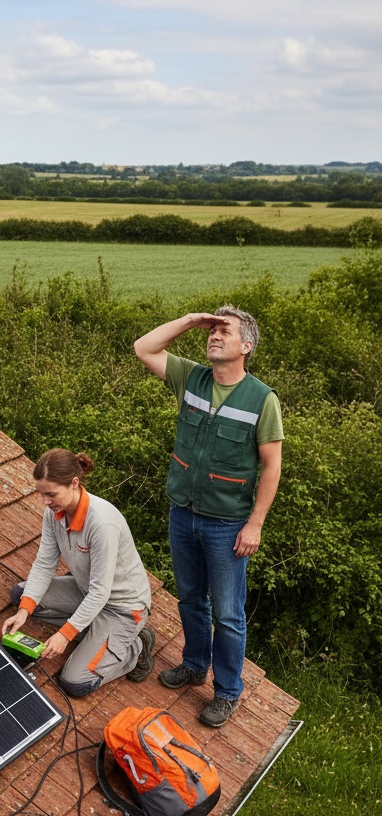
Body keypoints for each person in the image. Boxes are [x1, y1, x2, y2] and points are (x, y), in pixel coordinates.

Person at [133, 306, 283, 727]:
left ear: (246, 346)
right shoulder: (192, 377)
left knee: (229, 614)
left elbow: (272, 466)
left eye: (225, 330)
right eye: (212, 330)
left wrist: (255, 524)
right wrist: (189, 321)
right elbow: (143, 348)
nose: (214, 335)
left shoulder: (262, 399)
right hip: (183, 513)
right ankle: (195, 665)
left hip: (227, 525)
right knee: (190, 600)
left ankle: (227, 691)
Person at [1, 448, 154, 697]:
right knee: (23, 597)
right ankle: (94, 633)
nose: (45, 501)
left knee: (75, 682)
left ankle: (133, 649)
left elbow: (101, 592)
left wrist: (65, 634)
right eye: (40, 493)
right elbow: (44, 564)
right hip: (87, 591)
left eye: (51, 494)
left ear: (74, 483)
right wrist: (22, 613)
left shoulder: (102, 524)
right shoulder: (54, 514)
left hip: (122, 608)